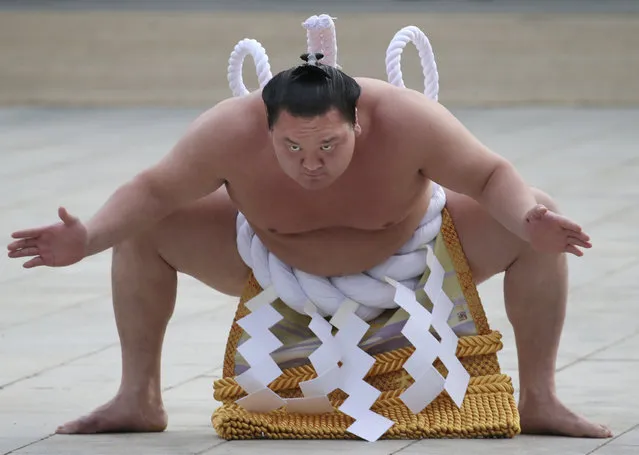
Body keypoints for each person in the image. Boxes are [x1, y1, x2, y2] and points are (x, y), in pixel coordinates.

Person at [7, 53, 611, 438]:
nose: (311, 165)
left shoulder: (407, 120)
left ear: (359, 124)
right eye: (291, 148)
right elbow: (153, 188)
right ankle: (136, 399)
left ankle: (540, 399)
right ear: (265, 128)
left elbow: (487, 176)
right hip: (270, 265)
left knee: (539, 214)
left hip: (419, 261)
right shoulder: (228, 130)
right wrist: (86, 237)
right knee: (146, 224)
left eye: (328, 146)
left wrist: (525, 214)